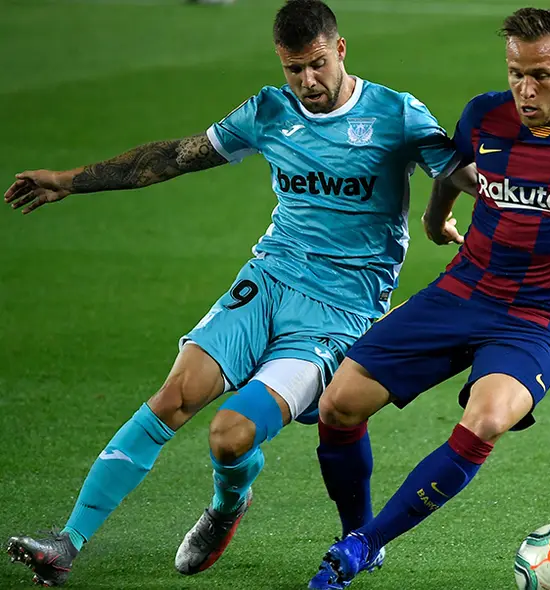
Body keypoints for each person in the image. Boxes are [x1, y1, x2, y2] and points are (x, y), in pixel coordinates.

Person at [3, 0, 463, 585]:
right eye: (293, 69)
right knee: (174, 395)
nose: (307, 82)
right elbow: (172, 157)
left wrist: (454, 218)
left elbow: (458, 172)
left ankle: (227, 506)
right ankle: (66, 542)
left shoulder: (395, 113)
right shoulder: (269, 112)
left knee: (230, 434)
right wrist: (69, 181)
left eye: (317, 64)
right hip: (268, 280)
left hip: (339, 312)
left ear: (340, 49)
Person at [306, 7, 550, 589]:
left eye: (540, 76)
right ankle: (358, 535)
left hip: (540, 316)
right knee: (338, 404)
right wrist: (434, 217)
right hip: (463, 289)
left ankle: (362, 546)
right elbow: (452, 170)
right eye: (515, 73)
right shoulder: (483, 116)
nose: (525, 89)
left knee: (489, 417)